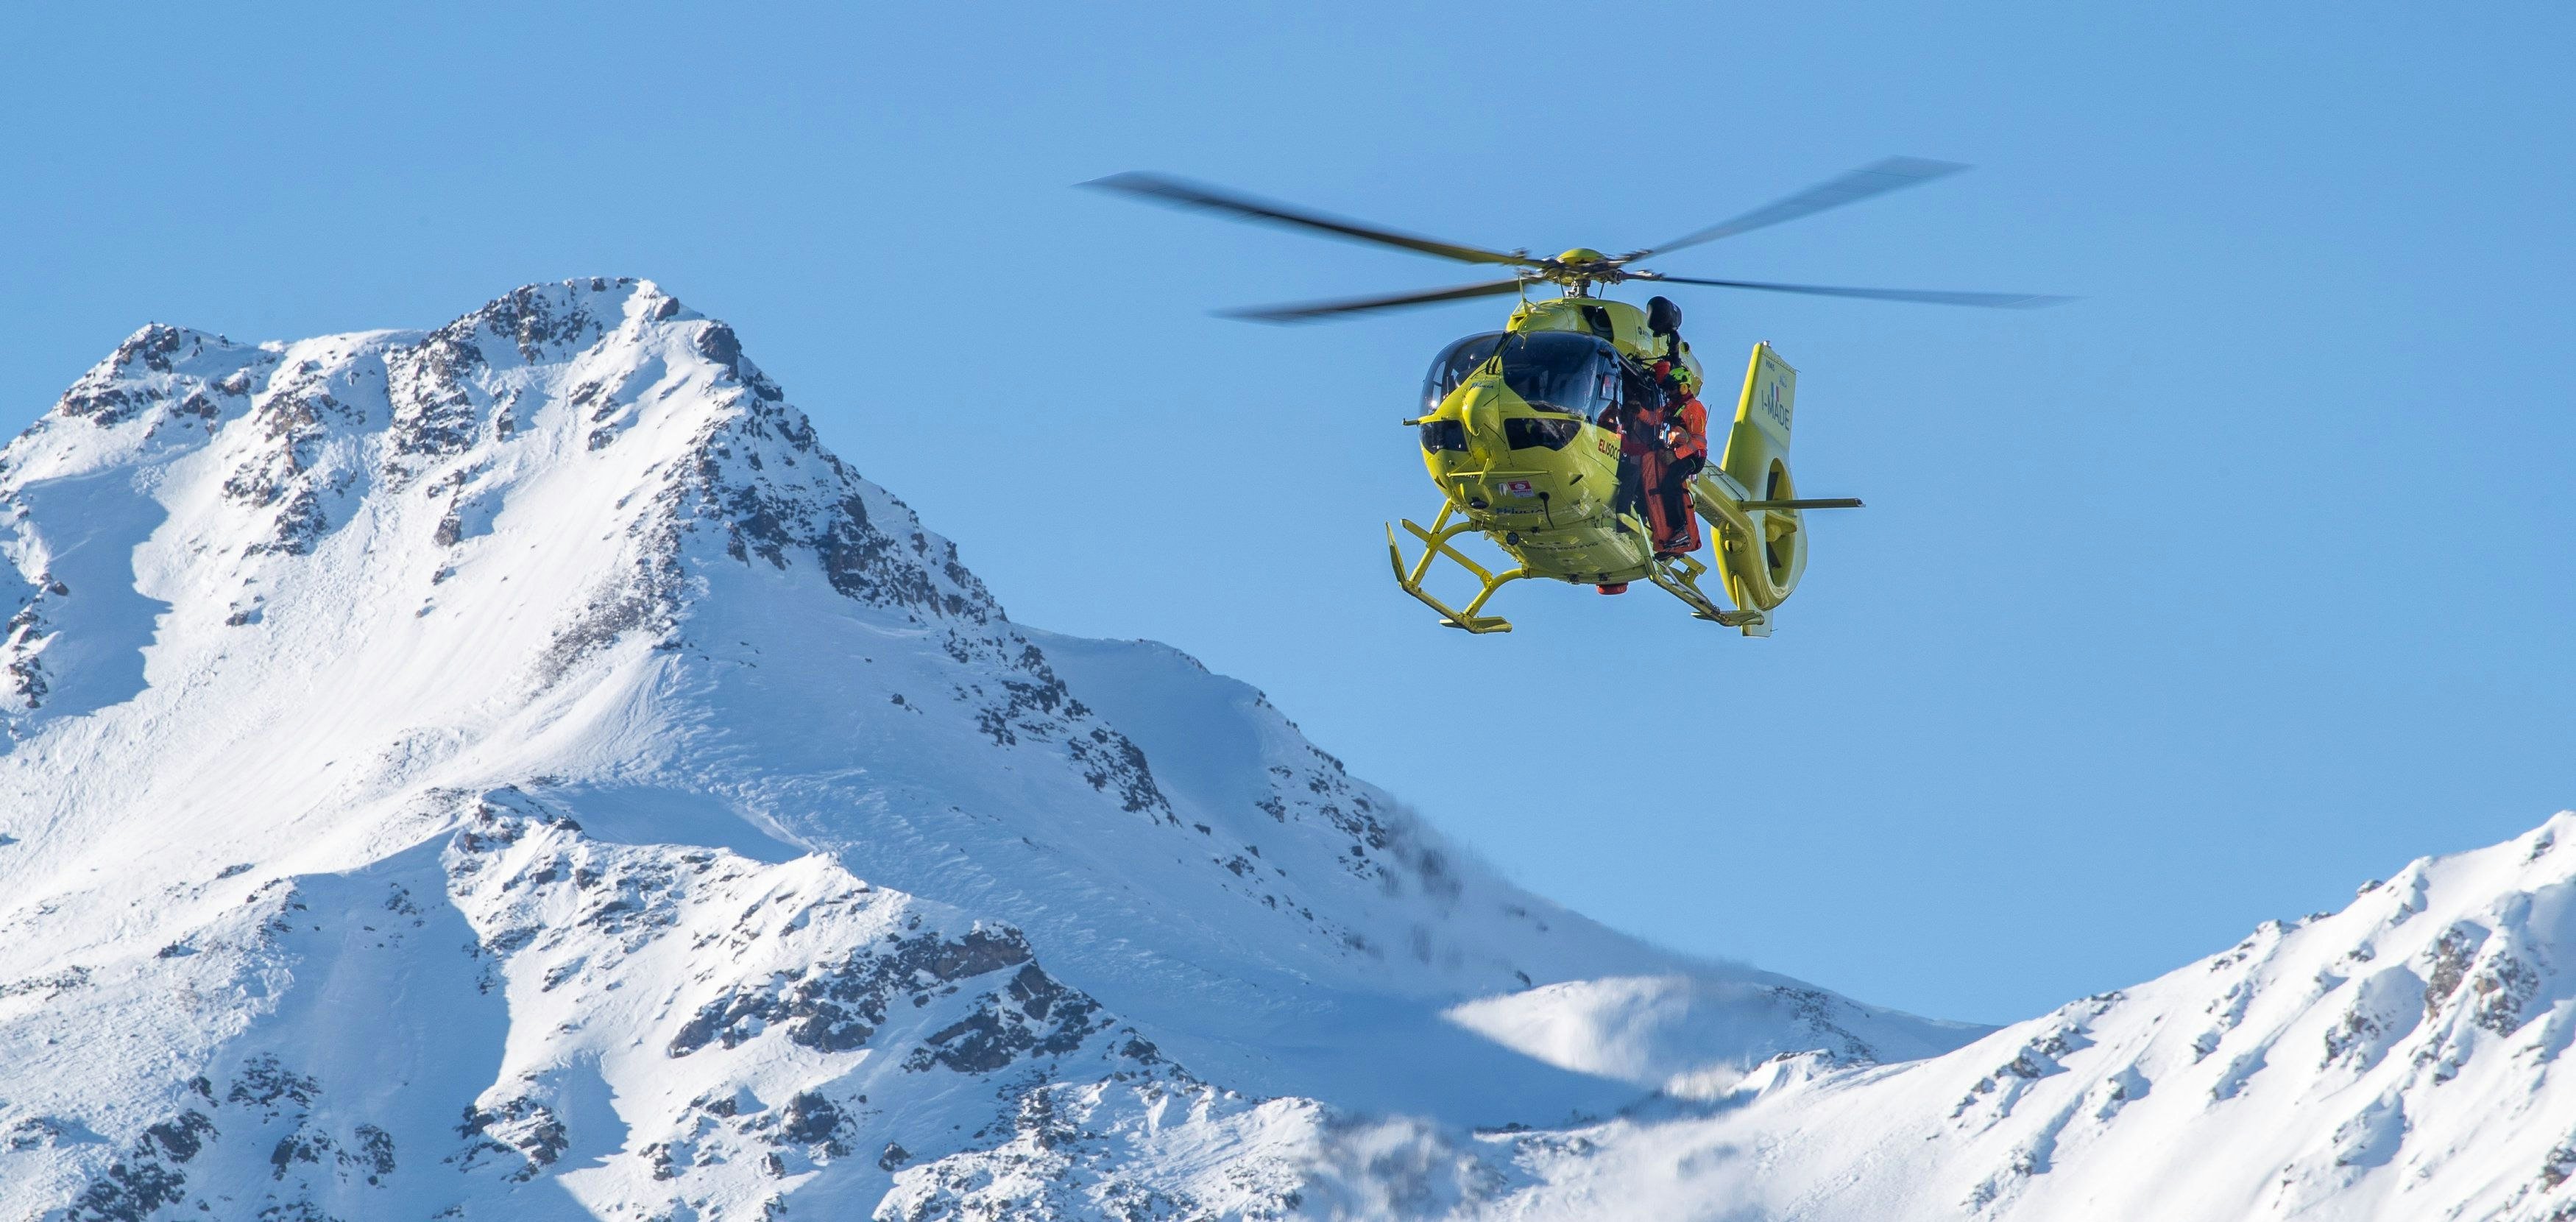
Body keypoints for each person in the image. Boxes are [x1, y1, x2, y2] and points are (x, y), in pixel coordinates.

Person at [1643, 360, 1708, 558]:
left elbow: (1699, 442)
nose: (1668, 394)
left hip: (1693, 458)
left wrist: (1676, 455)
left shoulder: (1694, 408)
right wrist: (1638, 411)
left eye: (1671, 390)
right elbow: (1653, 418)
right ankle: (1671, 536)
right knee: (1663, 486)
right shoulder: (1672, 407)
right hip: (1677, 455)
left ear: (1683, 387)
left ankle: (1682, 530)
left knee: (1671, 485)